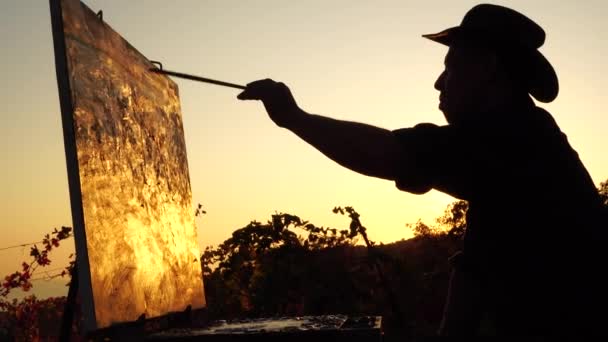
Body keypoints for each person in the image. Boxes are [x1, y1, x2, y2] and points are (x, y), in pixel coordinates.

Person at [237, 4, 607, 336]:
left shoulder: (515, 137)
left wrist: (292, 117)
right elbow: (475, 272)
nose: (439, 82)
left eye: (450, 68)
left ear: (488, 67)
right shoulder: (518, 144)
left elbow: (391, 153)